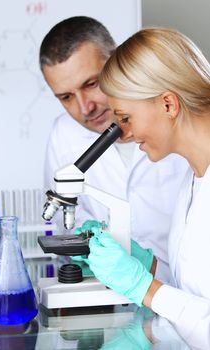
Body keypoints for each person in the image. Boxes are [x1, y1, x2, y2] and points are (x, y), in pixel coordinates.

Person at [86, 27, 210, 348]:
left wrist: (145, 288)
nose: (123, 134)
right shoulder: (193, 178)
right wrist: (145, 264)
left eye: (126, 118)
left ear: (168, 104)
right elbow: (195, 290)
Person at [39, 16, 188, 283]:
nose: (85, 108)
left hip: (187, 291)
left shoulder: (173, 119)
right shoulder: (63, 133)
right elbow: (67, 222)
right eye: (66, 97)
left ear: (117, 60)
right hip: (114, 294)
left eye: (91, 84)